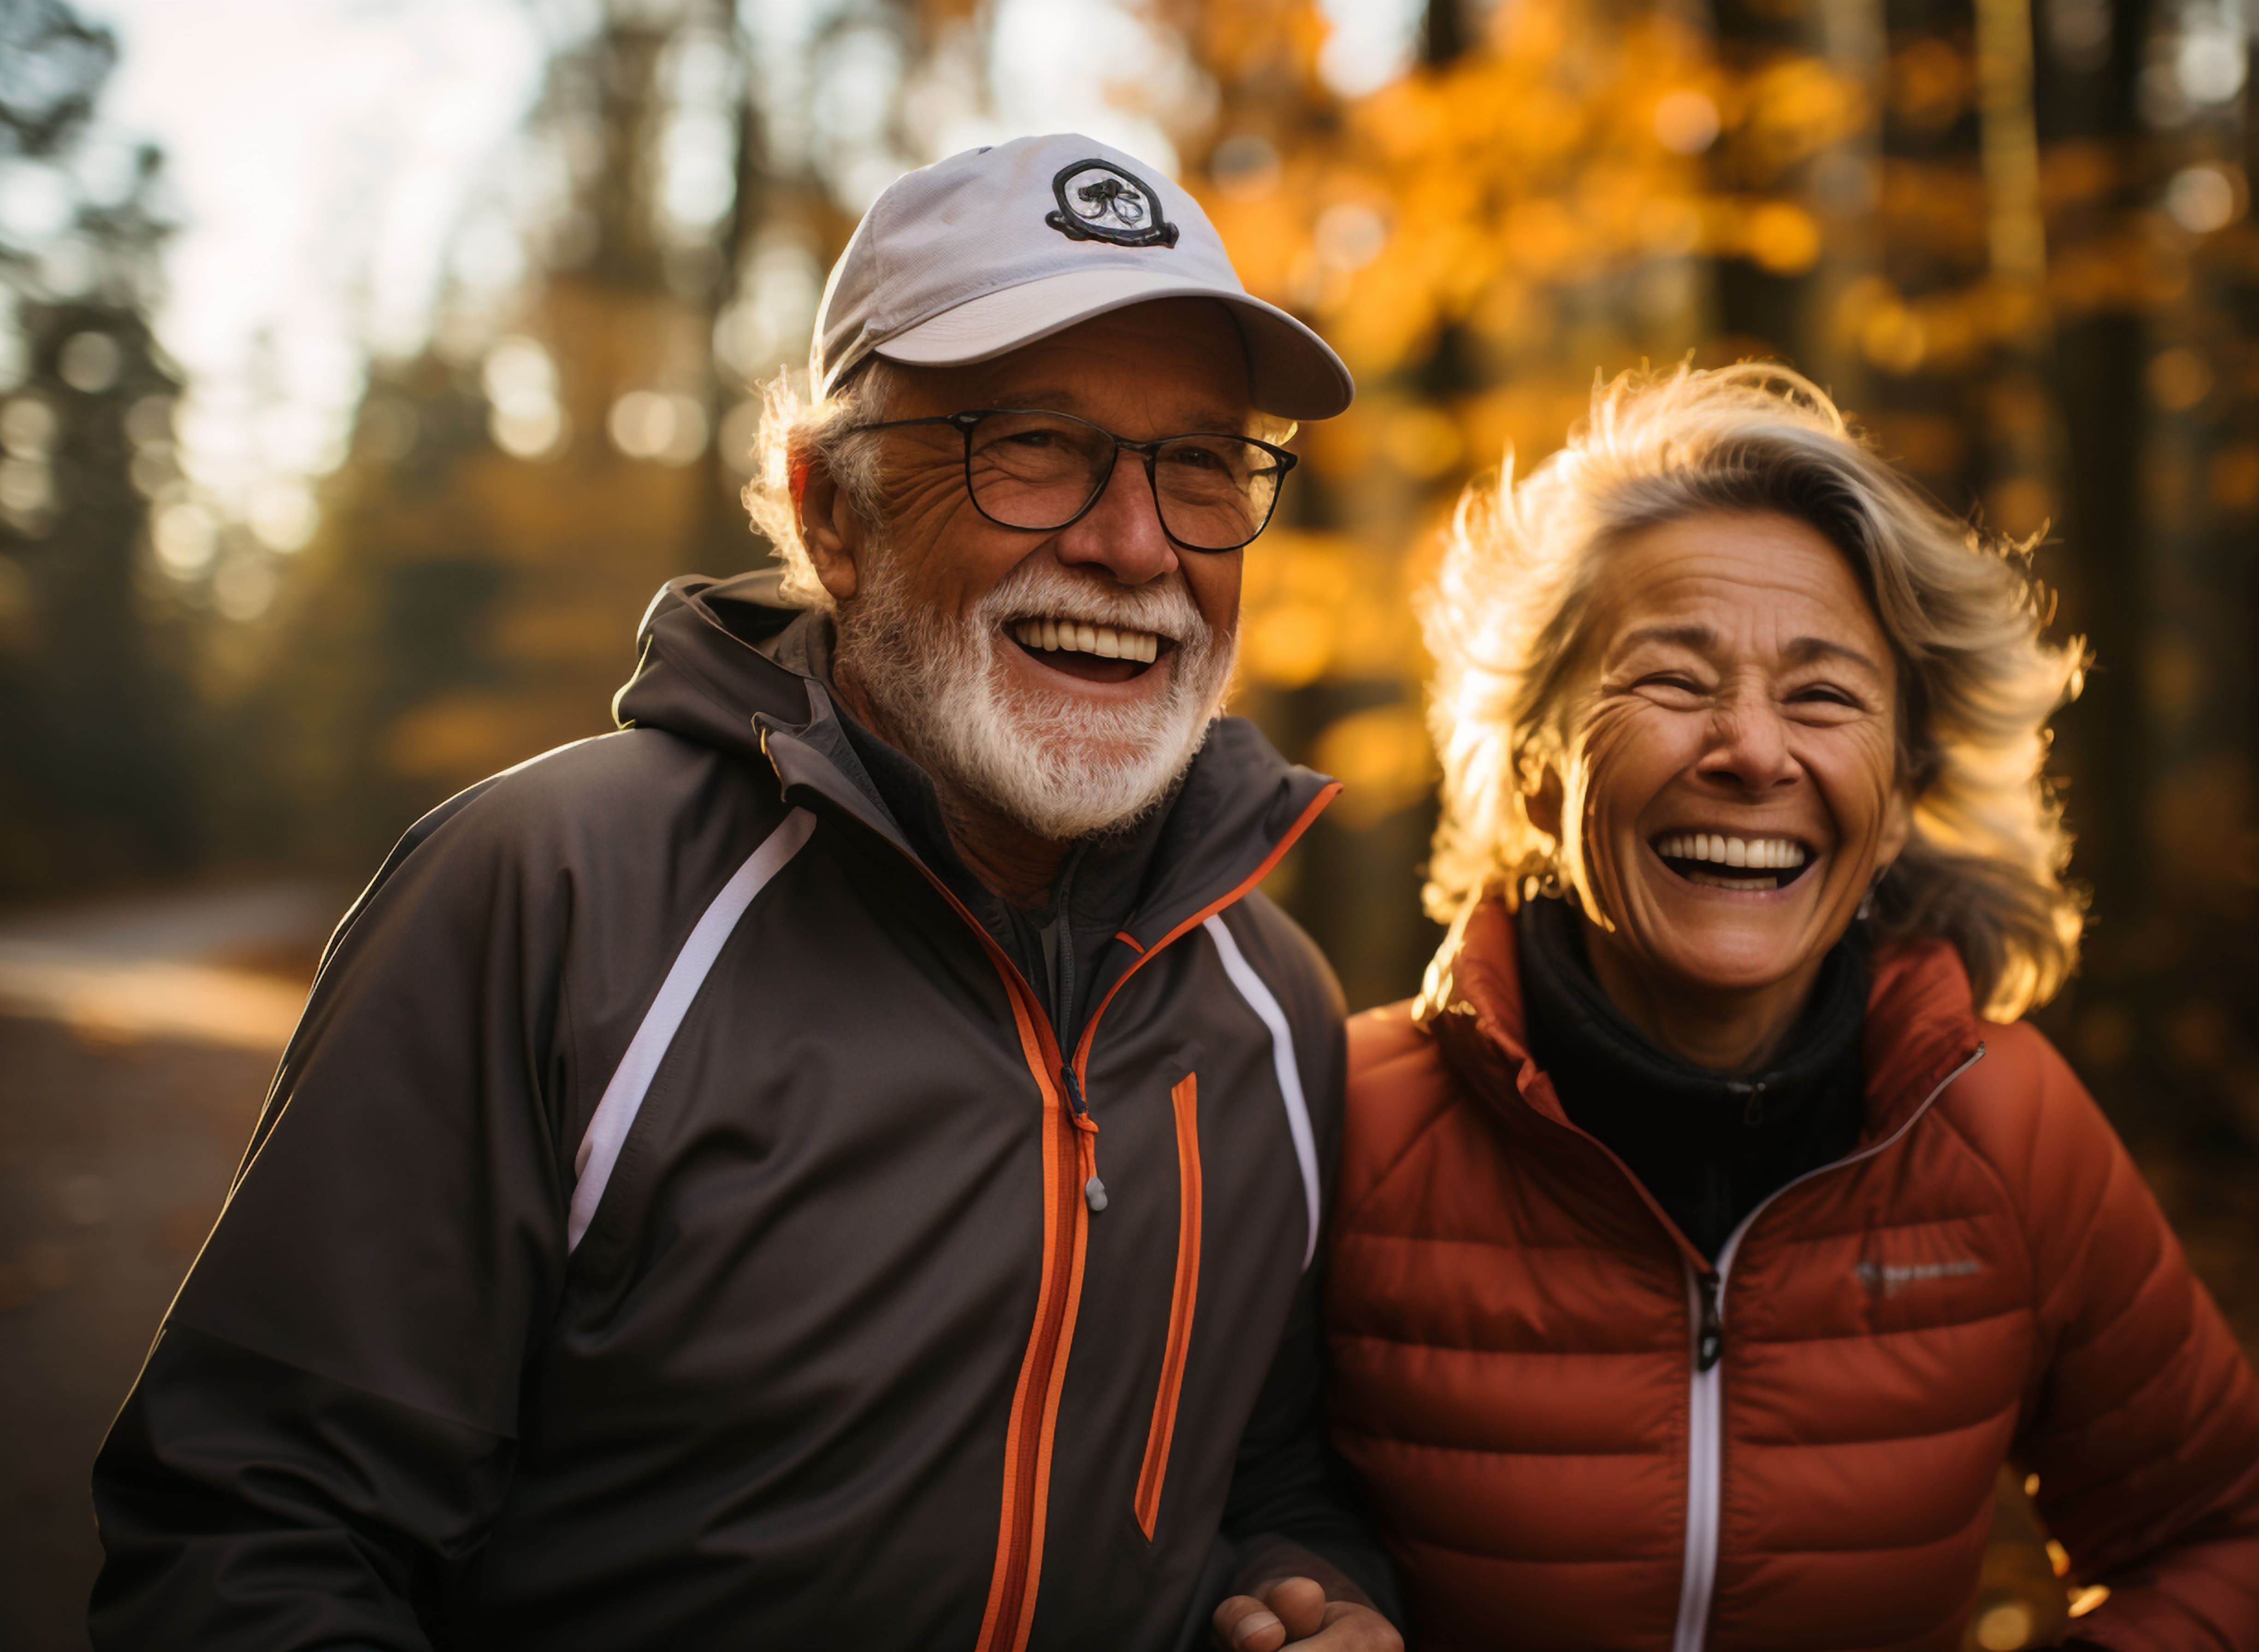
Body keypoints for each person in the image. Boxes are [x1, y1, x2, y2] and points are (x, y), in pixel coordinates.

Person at [91, 134, 1401, 1652]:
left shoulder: (1274, 1001)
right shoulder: (546, 902)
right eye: (1033, 443)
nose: (1133, 544)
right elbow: (254, 1536)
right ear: (833, 516)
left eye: (1197, 465)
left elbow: (1278, 1480)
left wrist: (1321, 1595)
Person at [1325, 364, 2259, 1651]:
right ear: (1536, 763)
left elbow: (2221, 1528)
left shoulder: (2008, 1132)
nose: (1751, 750)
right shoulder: (1339, 1126)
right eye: (1673, 681)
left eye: (1824, 695)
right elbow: (1194, 1516)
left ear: (1900, 794)